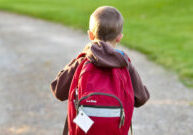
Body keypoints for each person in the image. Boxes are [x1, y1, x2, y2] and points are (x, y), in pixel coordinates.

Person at [51, 6, 150, 135]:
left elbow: (58, 90)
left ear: (90, 35)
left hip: (83, 130)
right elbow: (141, 98)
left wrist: (80, 56)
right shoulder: (124, 63)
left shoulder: (83, 61)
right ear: (119, 37)